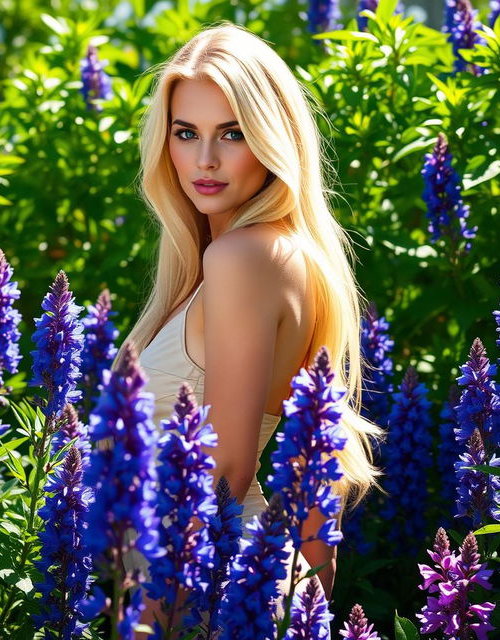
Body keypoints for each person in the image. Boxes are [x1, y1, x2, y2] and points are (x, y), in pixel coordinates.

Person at [109, 20, 385, 638]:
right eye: (187, 133)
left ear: (271, 137)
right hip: (240, 588)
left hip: (197, 589)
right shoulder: (274, 253)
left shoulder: (241, 259)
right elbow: (318, 479)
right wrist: (303, 600)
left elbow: (225, 469)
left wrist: (150, 621)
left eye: (232, 133)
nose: (204, 158)